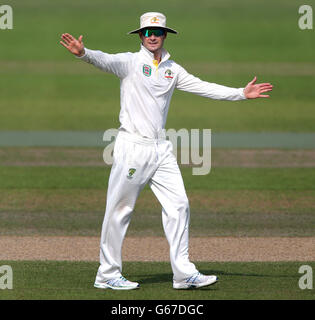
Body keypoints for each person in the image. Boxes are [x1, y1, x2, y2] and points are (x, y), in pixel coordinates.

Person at [60, 12, 273, 290]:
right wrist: (83, 53)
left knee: (179, 205)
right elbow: (105, 59)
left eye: (157, 32)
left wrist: (239, 93)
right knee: (119, 210)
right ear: (139, 35)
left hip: (161, 148)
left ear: (164, 35)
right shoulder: (130, 63)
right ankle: (108, 274)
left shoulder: (173, 69)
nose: (151, 36)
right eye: (147, 31)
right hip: (132, 146)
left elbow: (203, 86)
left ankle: (183, 274)